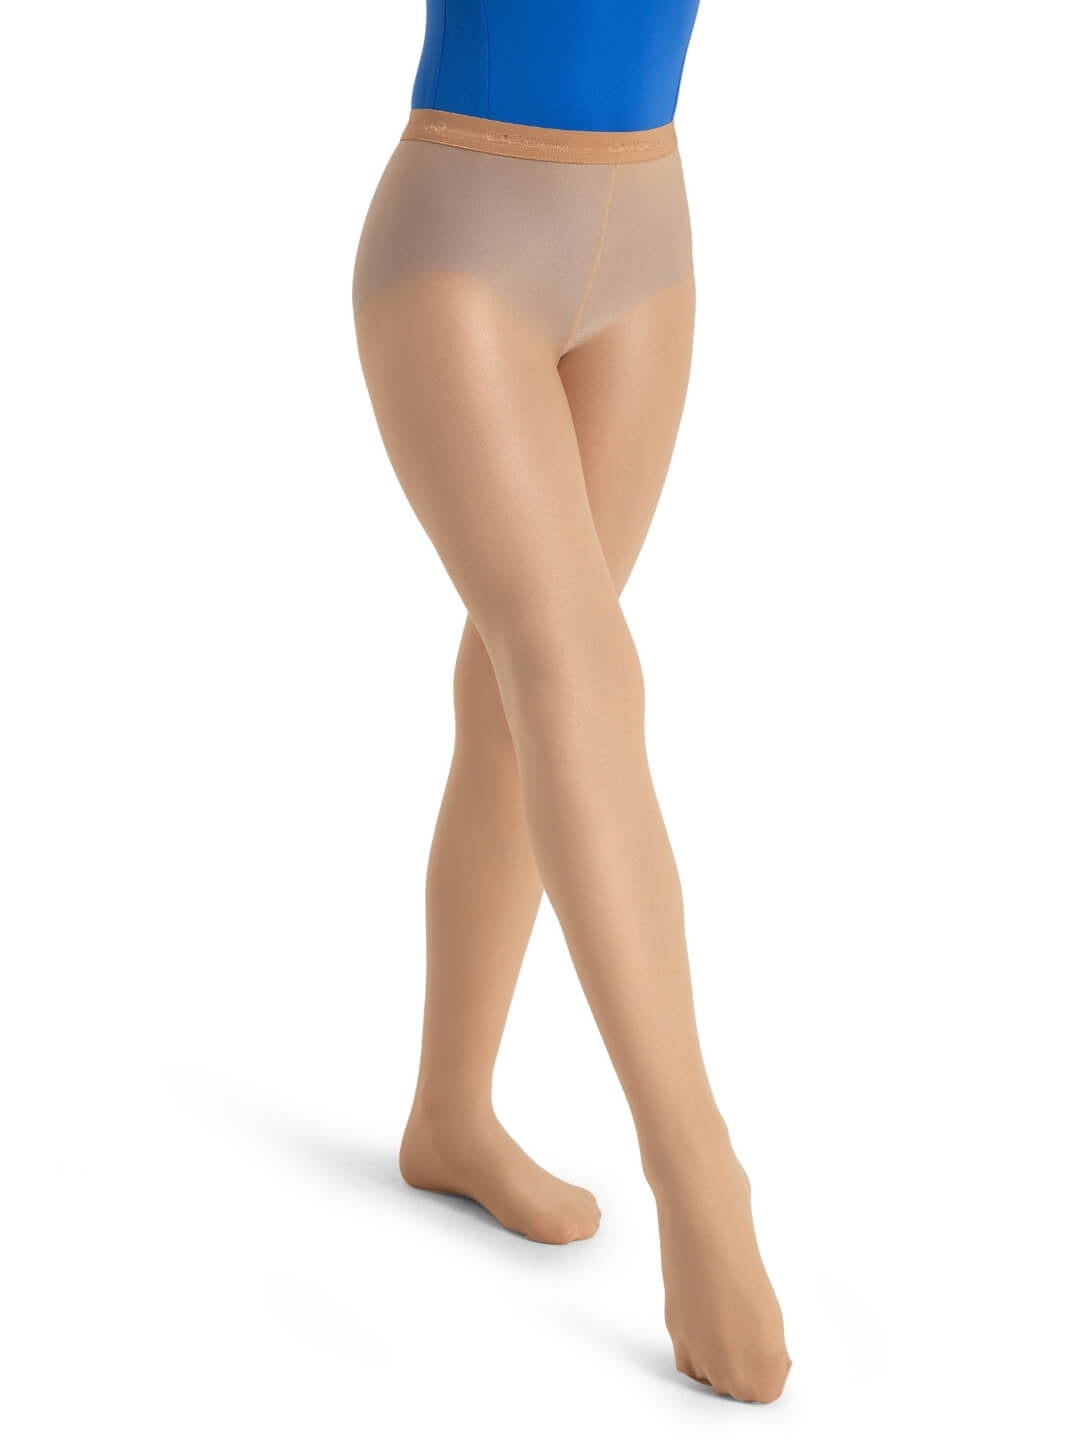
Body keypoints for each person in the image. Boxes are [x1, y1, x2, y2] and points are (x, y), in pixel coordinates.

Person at [351, 0, 792, 1404]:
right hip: (462, 245)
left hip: (650, 239)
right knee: (577, 670)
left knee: (521, 690)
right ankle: (701, 1182)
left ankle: (449, 1113)